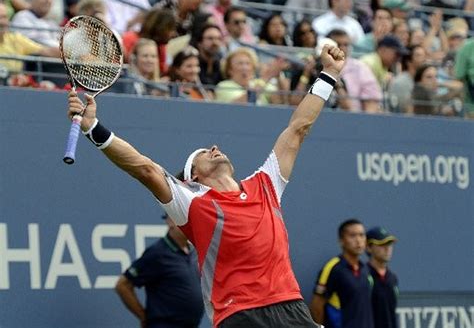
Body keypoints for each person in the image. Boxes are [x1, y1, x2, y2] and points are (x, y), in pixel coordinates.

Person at [67, 44, 345, 328]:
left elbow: (298, 129)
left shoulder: (266, 183)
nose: (213, 148)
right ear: (194, 177)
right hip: (241, 316)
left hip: (291, 308)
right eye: (202, 153)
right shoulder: (192, 204)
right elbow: (145, 169)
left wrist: (329, 74)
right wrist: (93, 127)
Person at [115, 213, 204, 328]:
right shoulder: (157, 253)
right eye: (185, 220)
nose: (190, 224)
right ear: (170, 222)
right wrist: (143, 316)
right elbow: (123, 285)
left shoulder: (193, 252)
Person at [309, 219, 374, 328]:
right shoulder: (333, 268)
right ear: (341, 240)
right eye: (352, 236)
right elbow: (316, 306)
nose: (358, 240)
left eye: (362, 235)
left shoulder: (365, 269)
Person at [366, 226, 398, 328]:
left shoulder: (393, 278)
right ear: (369, 248)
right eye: (381, 244)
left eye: (389, 244)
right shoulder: (363, 276)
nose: (387, 248)